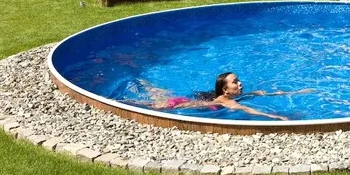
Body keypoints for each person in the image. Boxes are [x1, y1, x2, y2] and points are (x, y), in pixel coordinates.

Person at [131, 72, 311, 121]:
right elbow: (245, 109)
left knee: (155, 91)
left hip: (182, 99)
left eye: (238, 80)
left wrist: (295, 92)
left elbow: (258, 93)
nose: (240, 84)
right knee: (143, 104)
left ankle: (141, 80)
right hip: (176, 105)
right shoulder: (225, 101)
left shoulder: (231, 96)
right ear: (225, 90)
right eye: (235, 82)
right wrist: (274, 116)